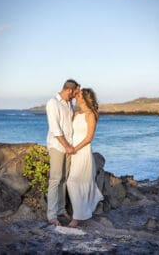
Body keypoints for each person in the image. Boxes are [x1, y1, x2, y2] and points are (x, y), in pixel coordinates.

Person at [67, 88, 104, 227]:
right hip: (72, 151)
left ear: (84, 98)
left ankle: (77, 218)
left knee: (73, 182)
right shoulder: (76, 113)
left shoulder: (90, 115)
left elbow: (89, 138)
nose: (76, 96)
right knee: (75, 182)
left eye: (78, 94)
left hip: (82, 152)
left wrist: (74, 149)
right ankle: (86, 207)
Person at [46, 79, 80, 226]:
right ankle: (51, 215)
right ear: (69, 90)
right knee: (55, 179)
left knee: (64, 179)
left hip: (69, 147)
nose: (75, 95)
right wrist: (66, 146)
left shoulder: (69, 103)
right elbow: (55, 129)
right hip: (57, 146)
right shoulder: (52, 103)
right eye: (75, 92)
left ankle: (61, 209)